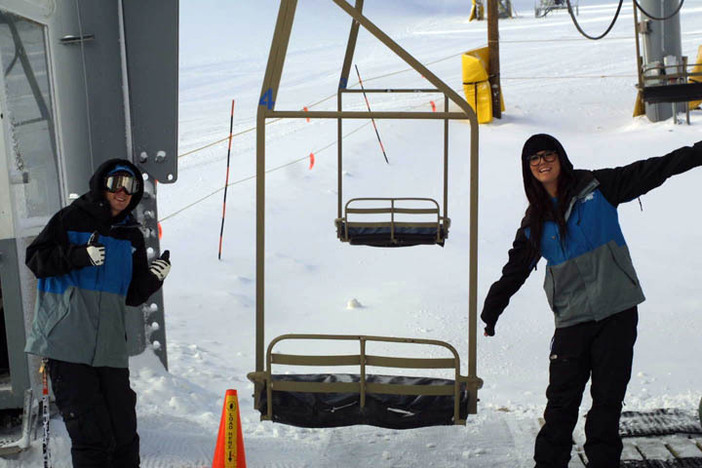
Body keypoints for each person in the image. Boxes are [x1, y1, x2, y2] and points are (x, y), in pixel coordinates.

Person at [480, 134, 702, 468]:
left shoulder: (599, 187)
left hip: (617, 312)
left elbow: (657, 168)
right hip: (572, 322)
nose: (542, 162)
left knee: (606, 406)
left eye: (547, 154)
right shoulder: (534, 224)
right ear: (528, 169)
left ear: (560, 157)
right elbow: (514, 272)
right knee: (560, 408)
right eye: (534, 159)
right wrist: (492, 311)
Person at [24, 159, 171, 467]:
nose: (122, 192)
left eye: (130, 186)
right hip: (68, 344)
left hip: (110, 349)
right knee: (91, 435)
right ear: (101, 185)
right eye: (116, 183)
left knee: (123, 434)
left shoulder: (131, 234)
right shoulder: (71, 218)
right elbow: (36, 259)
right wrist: (78, 256)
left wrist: (152, 279)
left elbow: (130, 295)